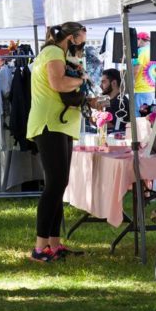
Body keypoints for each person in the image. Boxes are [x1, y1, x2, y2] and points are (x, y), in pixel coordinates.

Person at [27, 22, 105, 263]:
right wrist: (82, 80)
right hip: (50, 124)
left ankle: (54, 244)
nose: (82, 46)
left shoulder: (58, 54)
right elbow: (58, 84)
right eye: (81, 40)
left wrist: (87, 100)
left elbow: (61, 91)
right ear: (71, 38)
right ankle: (39, 248)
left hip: (60, 125)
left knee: (59, 184)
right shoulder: (52, 52)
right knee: (54, 184)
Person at [133, 32, 156, 113]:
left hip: (141, 90)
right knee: (150, 117)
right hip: (153, 90)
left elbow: (136, 70)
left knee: (138, 118)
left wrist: (130, 84)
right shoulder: (155, 51)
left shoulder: (140, 51)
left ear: (139, 39)